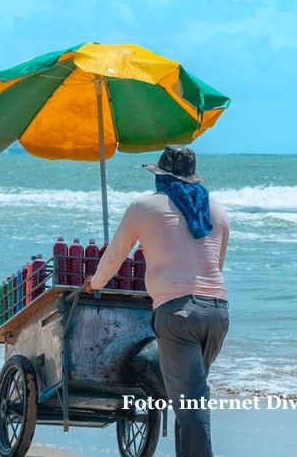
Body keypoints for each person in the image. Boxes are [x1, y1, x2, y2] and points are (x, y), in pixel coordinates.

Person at [84, 145, 229, 457]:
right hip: (217, 313)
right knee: (188, 397)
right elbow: (216, 265)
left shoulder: (143, 206)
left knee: (190, 401)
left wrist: (94, 283)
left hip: (178, 315)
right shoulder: (216, 210)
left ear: (160, 176)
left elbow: (114, 256)